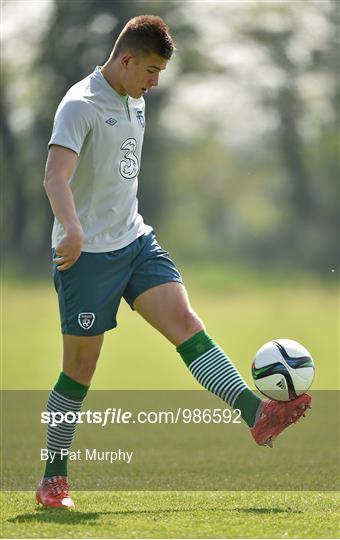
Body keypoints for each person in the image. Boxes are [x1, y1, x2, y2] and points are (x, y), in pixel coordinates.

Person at [36, 15, 311, 509]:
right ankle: (53, 479)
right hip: (87, 257)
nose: (155, 81)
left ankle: (257, 415)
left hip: (136, 243)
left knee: (185, 322)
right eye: (152, 70)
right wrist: (72, 228)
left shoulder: (135, 101)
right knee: (80, 368)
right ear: (126, 59)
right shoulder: (78, 106)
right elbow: (56, 176)